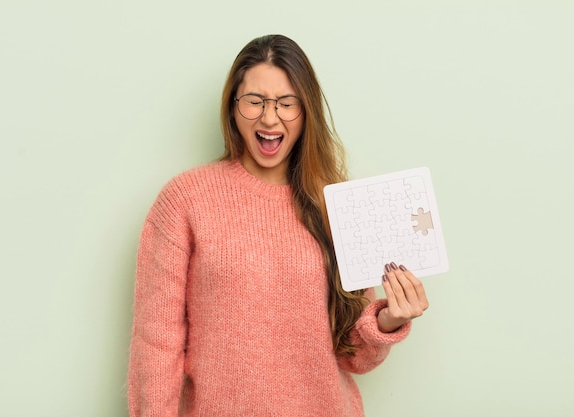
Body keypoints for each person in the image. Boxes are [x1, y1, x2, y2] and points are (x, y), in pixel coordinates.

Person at [127, 34, 429, 417]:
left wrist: (388, 319)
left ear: (306, 112)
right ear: (233, 107)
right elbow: (157, 343)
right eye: (254, 101)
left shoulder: (336, 205)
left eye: (287, 104)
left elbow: (355, 356)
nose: (269, 118)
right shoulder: (185, 200)